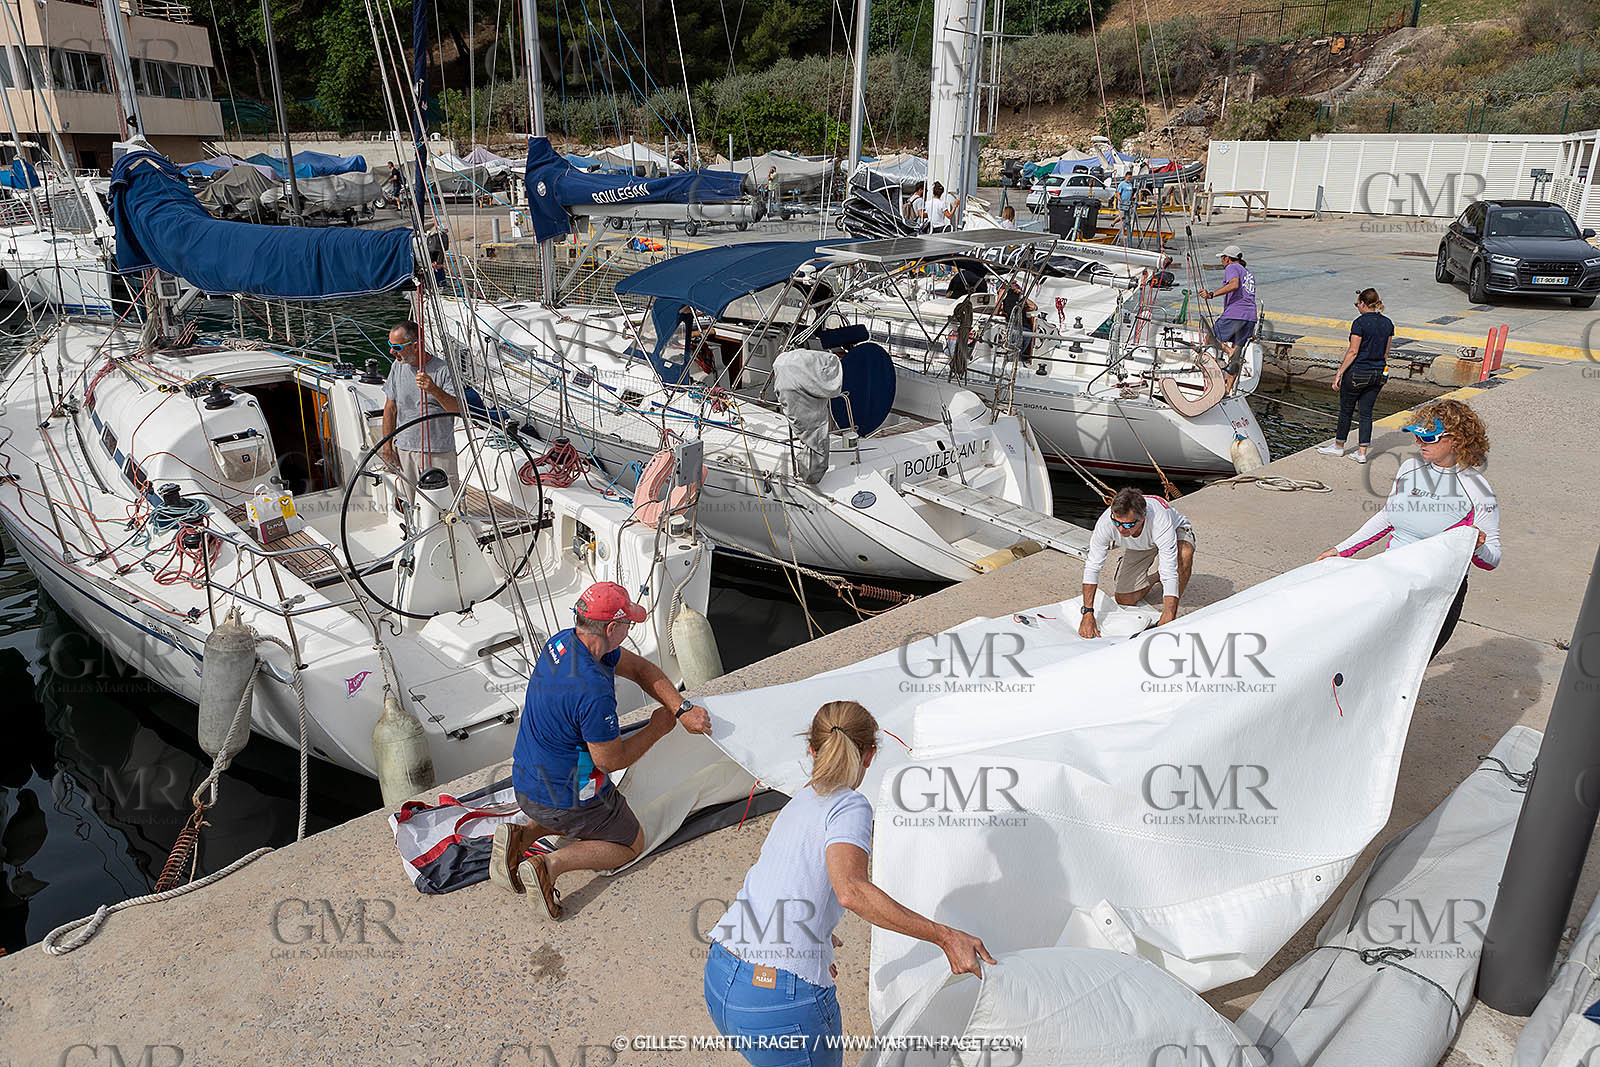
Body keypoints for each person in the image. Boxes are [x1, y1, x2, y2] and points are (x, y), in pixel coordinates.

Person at [703, 700, 994, 1066]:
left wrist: (816, 934)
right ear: (870, 755)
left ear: (811, 749)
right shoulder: (849, 806)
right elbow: (851, 890)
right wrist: (945, 937)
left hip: (723, 975)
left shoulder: (799, 801)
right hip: (778, 1001)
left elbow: (781, 880)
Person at [491, 582, 714, 917]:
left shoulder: (564, 642)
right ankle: (549, 865)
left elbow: (640, 669)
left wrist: (681, 709)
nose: (630, 630)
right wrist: (657, 728)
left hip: (525, 782)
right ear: (612, 628)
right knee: (629, 842)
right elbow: (610, 761)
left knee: (584, 803)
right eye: (629, 625)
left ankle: (522, 835)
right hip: (563, 797)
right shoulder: (592, 690)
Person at [1315, 399, 1499, 659]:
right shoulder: (1409, 468)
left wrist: (1477, 546)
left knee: (1403, 665)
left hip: (1437, 593)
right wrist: (1340, 550)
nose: (1419, 443)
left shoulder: (1477, 489)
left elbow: (1493, 559)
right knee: (1360, 655)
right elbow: (1387, 517)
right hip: (1391, 578)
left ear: (1455, 439)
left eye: (1428, 438)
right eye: (1417, 436)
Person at [1079, 487, 1196, 636]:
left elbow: (1169, 571)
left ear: (1143, 518)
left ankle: (1171, 609)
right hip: (1139, 543)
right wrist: (1087, 613)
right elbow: (1092, 567)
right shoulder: (1106, 523)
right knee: (1124, 598)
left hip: (1174, 532)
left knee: (1183, 555)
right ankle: (1156, 577)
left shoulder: (1160, 521)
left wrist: (1168, 615)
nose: (1121, 529)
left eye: (1127, 524)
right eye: (1117, 522)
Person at [380, 320, 462, 503]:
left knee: (448, 506)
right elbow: (390, 408)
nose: (392, 352)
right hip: (405, 450)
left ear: (416, 346)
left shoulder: (444, 370)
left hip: (438, 452)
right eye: (390, 345)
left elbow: (457, 409)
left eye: (397, 347)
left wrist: (434, 390)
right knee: (413, 504)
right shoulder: (397, 367)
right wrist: (387, 447)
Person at [1317, 288, 1394, 465]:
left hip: (1358, 371)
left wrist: (1339, 373)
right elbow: (1386, 352)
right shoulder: (1388, 323)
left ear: (1363, 304)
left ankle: (1338, 446)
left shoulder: (1359, 323)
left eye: (1357, 304)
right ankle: (1361, 453)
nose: (1357, 307)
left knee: (1346, 410)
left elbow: (1353, 351)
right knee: (1366, 413)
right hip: (1378, 373)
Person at [1200, 245, 1258, 394]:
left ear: (1227, 258)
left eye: (1222, 258)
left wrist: (1211, 294)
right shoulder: (1248, 273)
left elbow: (1234, 285)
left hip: (1235, 314)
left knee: (1209, 338)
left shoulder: (1232, 268)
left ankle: (1228, 351)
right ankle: (1227, 390)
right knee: (1236, 357)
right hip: (1250, 316)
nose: (1222, 261)